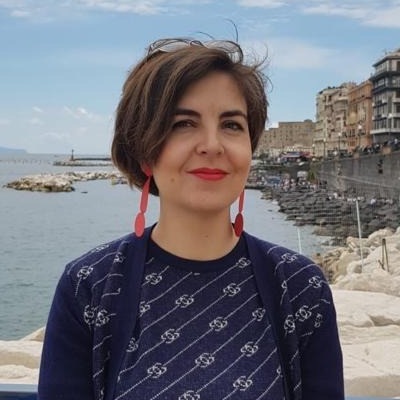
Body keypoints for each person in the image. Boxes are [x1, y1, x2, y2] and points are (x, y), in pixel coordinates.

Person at [38, 37, 344, 400]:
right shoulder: (90, 287)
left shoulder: (299, 287)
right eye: (183, 123)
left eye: (232, 125)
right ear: (145, 152)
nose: (212, 145)